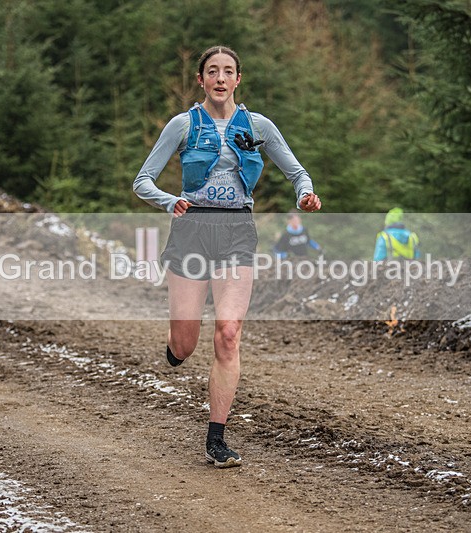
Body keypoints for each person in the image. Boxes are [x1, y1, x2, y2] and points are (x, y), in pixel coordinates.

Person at [133, 45, 321, 468]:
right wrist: (169, 202)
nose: (220, 78)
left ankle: (216, 439)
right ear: (200, 80)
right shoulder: (183, 125)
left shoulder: (259, 126)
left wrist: (305, 194)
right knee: (186, 342)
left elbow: (297, 172)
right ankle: (176, 349)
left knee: (229, 333)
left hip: (237, 228)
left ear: (238, 79)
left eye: (228, 71)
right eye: (212, 71)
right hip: (192, 229)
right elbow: (142, 181)